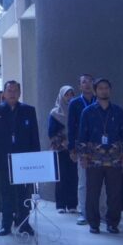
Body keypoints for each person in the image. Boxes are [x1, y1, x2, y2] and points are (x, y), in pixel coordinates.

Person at [0, 81, 40, 237]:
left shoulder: (28, 111)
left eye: (15, 90)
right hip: (3, 159)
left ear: (19, 93)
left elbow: (34, 137)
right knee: (6, 193)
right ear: (4, 93)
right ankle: (6, 224)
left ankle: (24, 223)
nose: (12, 93)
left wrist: (35, 158)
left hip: (24, 160)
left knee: (24, 193)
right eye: (9, 90)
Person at [77, 79, 123, 234]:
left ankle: (112, 223)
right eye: (101, 88)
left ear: (110, 90)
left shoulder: (118, 111)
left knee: (115, 193)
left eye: (106, 88)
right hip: (93, 159)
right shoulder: (87, 112)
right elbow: (82, 135)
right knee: (93, 192)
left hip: (115, 159)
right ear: (95, 91)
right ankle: (94, 223)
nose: (104, 91)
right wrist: (83, 156)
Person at [67, 74, 99, 226]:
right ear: (79, 86)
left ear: (94, 84)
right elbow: (71, 127)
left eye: (89, 81)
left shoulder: (99, 100)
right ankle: (82, 212)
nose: (87, 84)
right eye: (83, 82)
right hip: (82, 147)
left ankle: (100, 211)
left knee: (101, 181)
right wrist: (72, 149)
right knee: (83, 181)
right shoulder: (74, 103)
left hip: (100, 148)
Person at [48, 85, 79, 214]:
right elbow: (51, 133)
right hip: (60, 149)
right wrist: (63, 142)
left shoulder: (77, 111)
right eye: (67, 95)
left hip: (74, 149)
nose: (70, 97)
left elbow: (80, 130)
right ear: (61, 96)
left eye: (72, 94)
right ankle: (60, 204)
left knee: (73, 176)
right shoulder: (54, 113)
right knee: (61, 176)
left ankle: (72, 204)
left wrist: (73, 144)